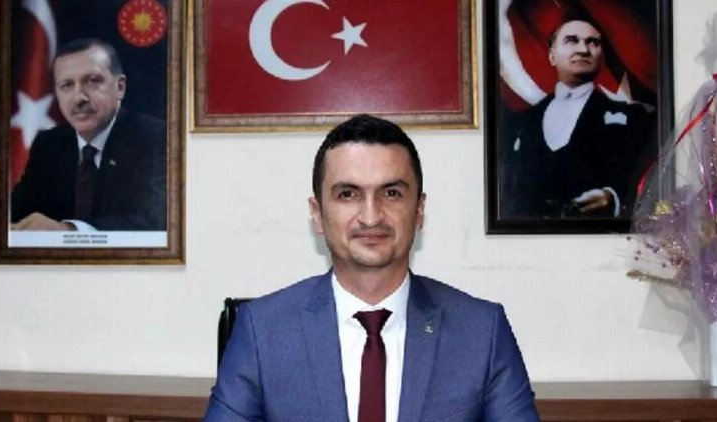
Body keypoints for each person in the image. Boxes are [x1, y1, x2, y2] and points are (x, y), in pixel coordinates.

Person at [205, 114, 538, 421]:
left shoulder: (483, 332)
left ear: (419, 210)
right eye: (348, 194)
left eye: (391, 193)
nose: (371, 216)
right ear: (318, 214)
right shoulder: (261, 330)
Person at [501, 15, 654, 219]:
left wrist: (612, 199)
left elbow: (645, 181)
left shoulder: (632, 118)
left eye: (593, 42)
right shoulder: (521, 122)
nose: (583, 49)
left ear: (602, 56)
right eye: (571, 41)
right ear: (552, 56)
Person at [10, 38, 166, 231]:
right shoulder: (49, 145)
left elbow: (157, 220)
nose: (79, 98)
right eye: (66, 85)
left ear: (120, 87)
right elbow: (15, 214)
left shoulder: (156, 138)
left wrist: (68, 230)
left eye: (92, 81)